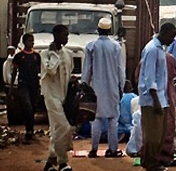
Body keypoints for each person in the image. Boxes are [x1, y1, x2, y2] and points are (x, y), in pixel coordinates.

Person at [82, 18, 125, 158]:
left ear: (98, 30)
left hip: (96, 88)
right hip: (113, 86)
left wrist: (85, 85)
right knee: (113, 119)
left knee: (96, 119)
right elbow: (120, 69)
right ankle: (112, 149)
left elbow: (87, 69)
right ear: (109, 30)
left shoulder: (91, 46)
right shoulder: (116, 47)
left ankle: (93, 149)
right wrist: (121, 86)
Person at [138, 22, 176, 171]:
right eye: (172, 36)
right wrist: (155, 100)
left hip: (161, 97)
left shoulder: (160, 49)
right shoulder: (152, 49)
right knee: (153, 134)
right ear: (164, 33)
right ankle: (151, 163)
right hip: (152, 99)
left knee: (159, 133)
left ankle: (149, 160)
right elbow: (149, 77)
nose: (173, 40)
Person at [40, 25, 74, 171]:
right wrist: (54, 53)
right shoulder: (45, 54)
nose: (66, 38)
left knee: (56, 130)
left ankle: (50, 162)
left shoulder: (68, 53)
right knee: (64, 127)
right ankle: (62, 162)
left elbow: (69, 72)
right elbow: (51, 70)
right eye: (64, 35)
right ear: (56, 35)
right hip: (51, 96)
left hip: (63, 95)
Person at [9, 34, 41, 142]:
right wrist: (12, 86)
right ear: (24, 42)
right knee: (27, 106)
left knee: (32, 107)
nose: (31, 43)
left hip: (34, 85)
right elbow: (14, 72)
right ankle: (28, 130)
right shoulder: (19, 56)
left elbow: (40, 71)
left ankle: (30, 130)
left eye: (32, 41)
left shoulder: (36, 56)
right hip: (23, 85)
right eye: (29, 41)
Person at [159, 53, 176, 166]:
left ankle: (152, 155)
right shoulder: (170, 58)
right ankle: (165, 156)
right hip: (167, 95)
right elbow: (173, 73)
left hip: (151, 98)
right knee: (168, 124)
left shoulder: (147, 54)